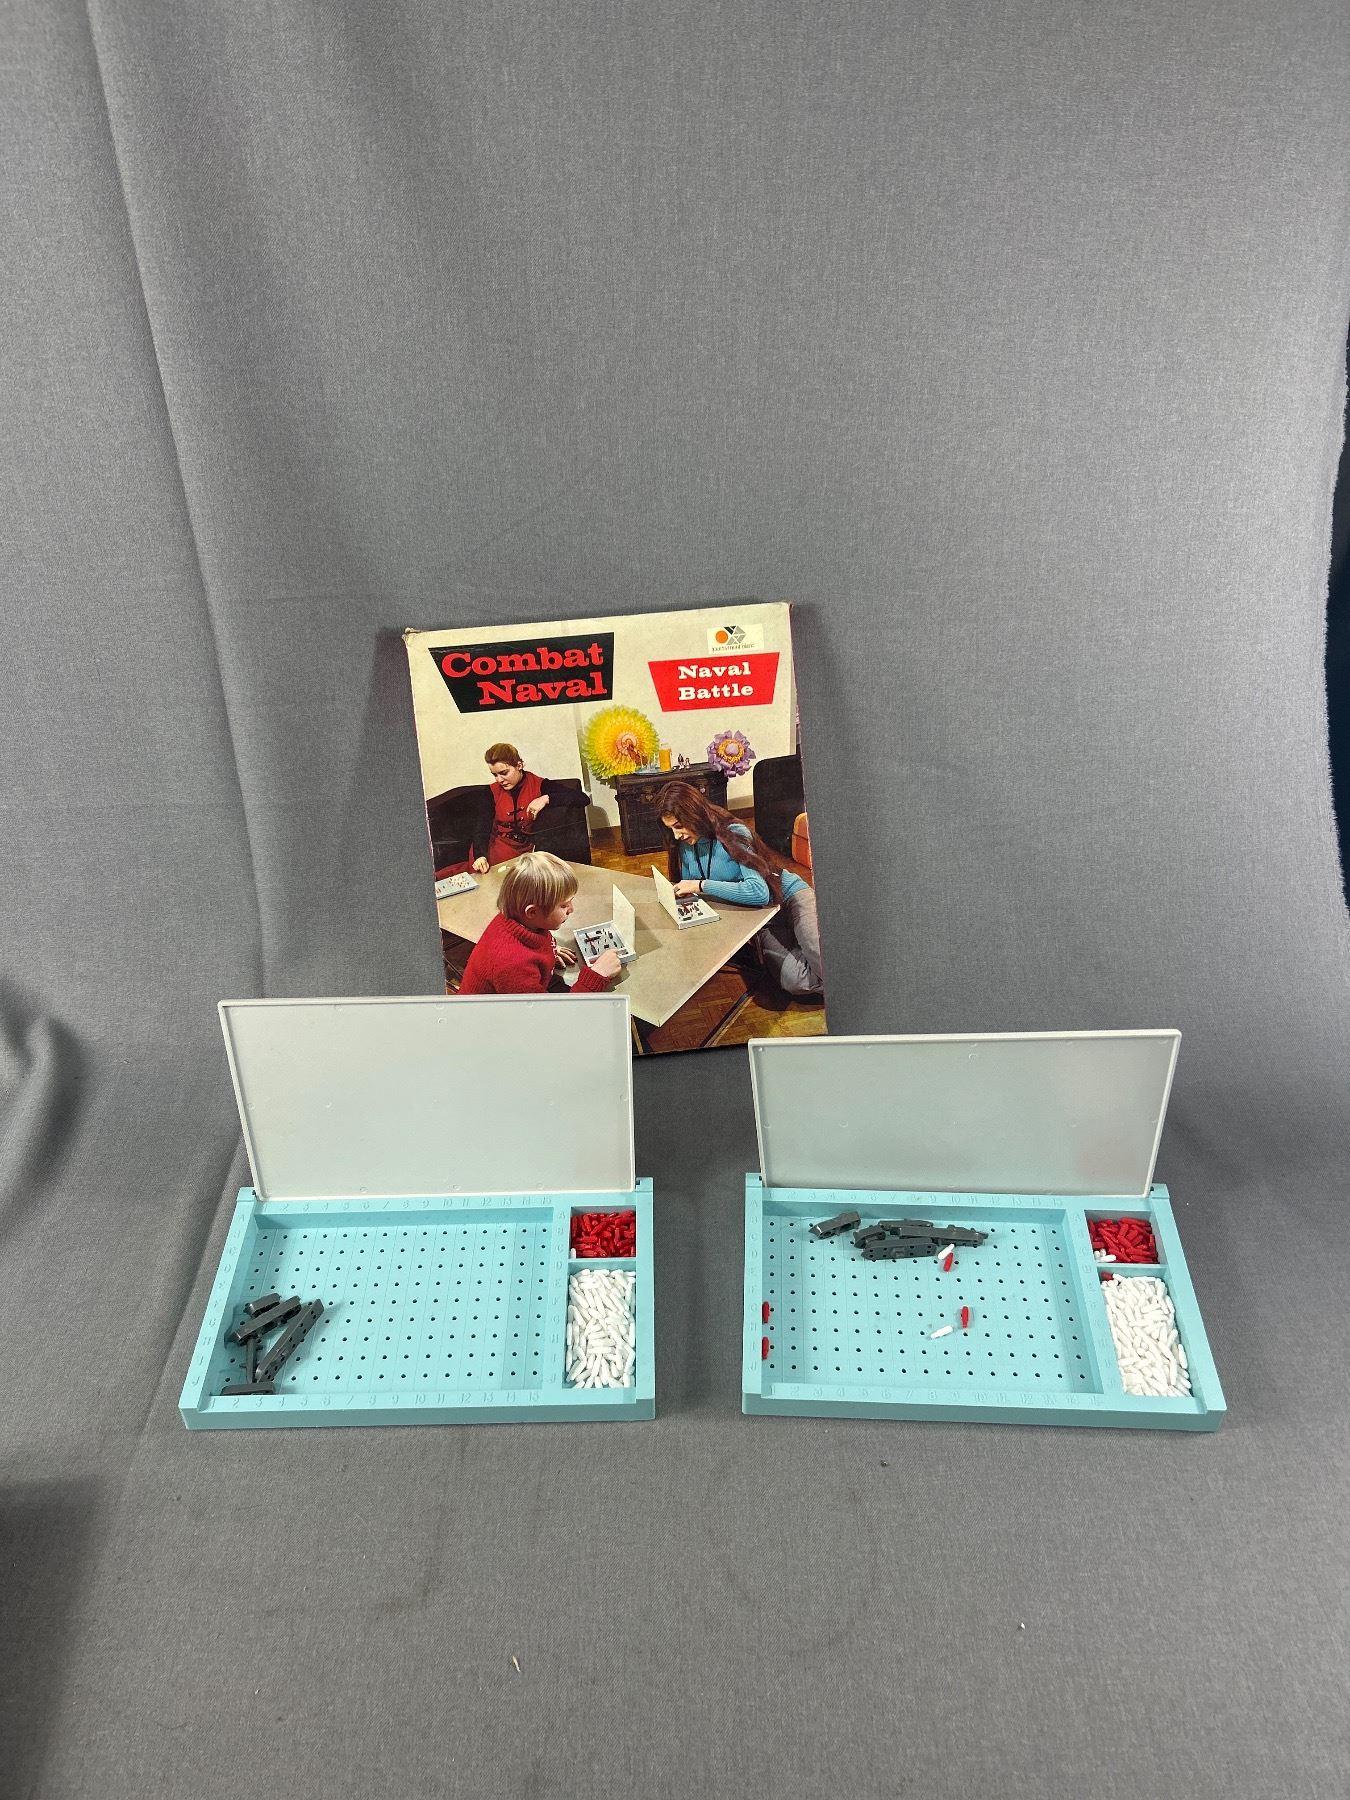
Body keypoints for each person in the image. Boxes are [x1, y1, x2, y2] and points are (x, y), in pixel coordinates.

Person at [654, 781, 823, 998]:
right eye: (671, 828)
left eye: (678, 825)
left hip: (790, 897)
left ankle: (845, 978)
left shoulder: (733, 832)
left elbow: (759, 892)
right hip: (761, 918)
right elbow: (693, 890)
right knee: (794, 980)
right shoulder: (686, 845)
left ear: (693, 813)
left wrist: (701, 885)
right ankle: (832, 961)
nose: (676, 835)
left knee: (820, 956)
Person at [459, 852, 622, 995]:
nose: (571, 909)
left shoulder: (515, 918)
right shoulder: (512, 965)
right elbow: (548, 1017)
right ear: (532, 912)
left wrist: (548, 951)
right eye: (564, 905)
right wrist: (597, 975)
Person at [471, 742, 589, 871]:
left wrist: (546, 798)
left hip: (526, 853)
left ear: (519, 765)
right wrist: (480, 856)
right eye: (495, 775)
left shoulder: (539, 784)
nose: (499, 780)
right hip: (493, 852)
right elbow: (481, 828)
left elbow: (582, 798)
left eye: (504, 773)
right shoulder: (490, 792)